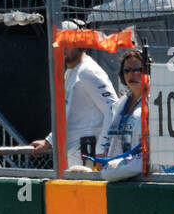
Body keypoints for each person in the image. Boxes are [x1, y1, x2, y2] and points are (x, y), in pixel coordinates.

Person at [30, 42, 122, 170]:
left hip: (90, 157)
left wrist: (102, 150)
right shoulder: (70, 71)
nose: (62, 47)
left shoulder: (89, 71)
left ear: (80, 43)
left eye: (67, 43)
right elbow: (67, 113)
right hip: (74, 155)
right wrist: (49, 141)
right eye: (58, 43)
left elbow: (113, 110)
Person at [98, 46, 149, 181]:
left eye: (137, 70)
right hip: (123, 172)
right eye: (127, 70)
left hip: (147, 174)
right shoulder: (119, 105)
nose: (131, 75)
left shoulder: (157, 101)